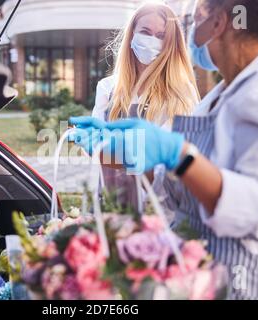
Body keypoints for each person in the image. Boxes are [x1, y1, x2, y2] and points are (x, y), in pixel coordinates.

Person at [70, 0, 258, 299]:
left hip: (251, 283)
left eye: (193, 20)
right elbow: (174, 191)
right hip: (204, 275)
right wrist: (128, 153)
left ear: (219, 21)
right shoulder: (215, 99)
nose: (188, 32)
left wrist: (180, 155)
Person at [81, 2, 199, 213]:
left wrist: (113, 151)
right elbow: (97, 151)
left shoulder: (181, 94)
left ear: (170, 42)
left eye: (161, 35)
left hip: (161, 210)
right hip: (112, 204)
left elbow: (171, 164)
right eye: (145, 31)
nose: (151, 40)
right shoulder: (108, 88)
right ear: (132, 33)